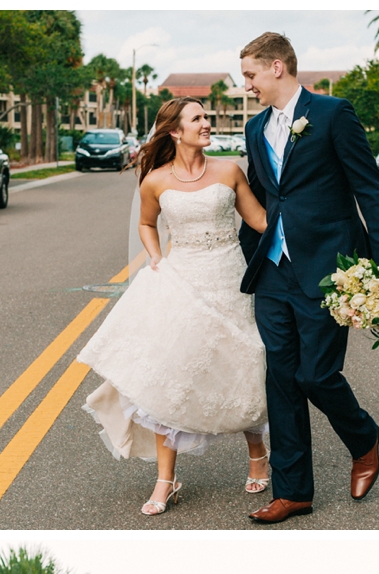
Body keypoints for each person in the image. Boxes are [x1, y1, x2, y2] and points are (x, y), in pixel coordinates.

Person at [77, 97, 270, 516]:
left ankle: (258, 454)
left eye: (206, 117)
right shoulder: (156, 181)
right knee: (172, 372)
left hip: (229, 279)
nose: (206, 123)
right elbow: (148, 223)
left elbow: (261, 222)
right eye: (197, 118)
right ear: (174, 132)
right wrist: (154, 256)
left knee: (245, 359)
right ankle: (166, 479)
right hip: (180, 281)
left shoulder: (228, 170)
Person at [238, 33, 379, 523]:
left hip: (327, 269)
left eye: (250, 75)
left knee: (316, 374)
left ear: (277, 68)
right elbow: (262, 195)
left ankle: (363, 436)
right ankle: (294, 493)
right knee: (282, 380)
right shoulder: (254, 128)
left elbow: (369, 189)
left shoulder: (333, 114)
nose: (246, 85)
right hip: (273, 271)